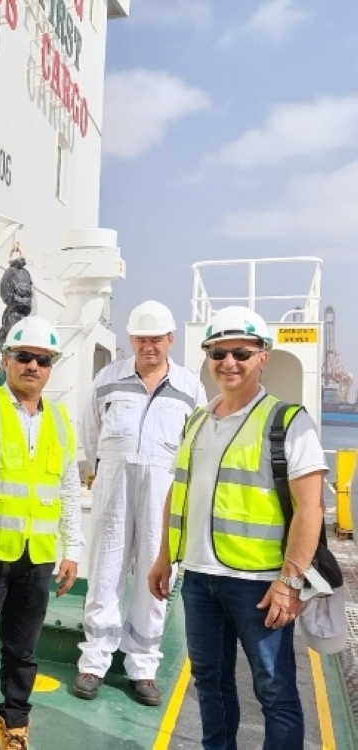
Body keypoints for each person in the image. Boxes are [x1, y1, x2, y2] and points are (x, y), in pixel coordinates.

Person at [148, 306, 327, 750]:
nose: (229, 362)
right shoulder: (197, 420)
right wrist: (162, 558)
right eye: (218, 352)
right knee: (210, 682)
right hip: (199, 578)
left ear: (263, 356)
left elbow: (311, 507)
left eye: (241, 353)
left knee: (274, 689)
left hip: (259, 583)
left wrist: (289, 582)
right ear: (207, 357)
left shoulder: (287, 421)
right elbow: (180, 490)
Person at [0, 316, 84, 750]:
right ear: (6, 359)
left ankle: (15, 728)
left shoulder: (62, 420)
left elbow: (66, 487)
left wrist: (72, 549)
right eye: (24, 357)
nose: (33, 366)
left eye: (42, 360)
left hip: (38, 556)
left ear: (51, 366)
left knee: (23, 653)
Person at [73, 300, 206, 706]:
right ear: (131, 339)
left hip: (163, 490)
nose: (148, 347)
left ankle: (143, 665)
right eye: (140, 339)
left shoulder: (189, 387)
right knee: (105, 568)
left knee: (156, 570)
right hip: (113, 483)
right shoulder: (107, 379)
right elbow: (90, 432)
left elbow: (195, 445)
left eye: (156, 340)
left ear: (171, 340)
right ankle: (94, 662)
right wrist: (102, 470)